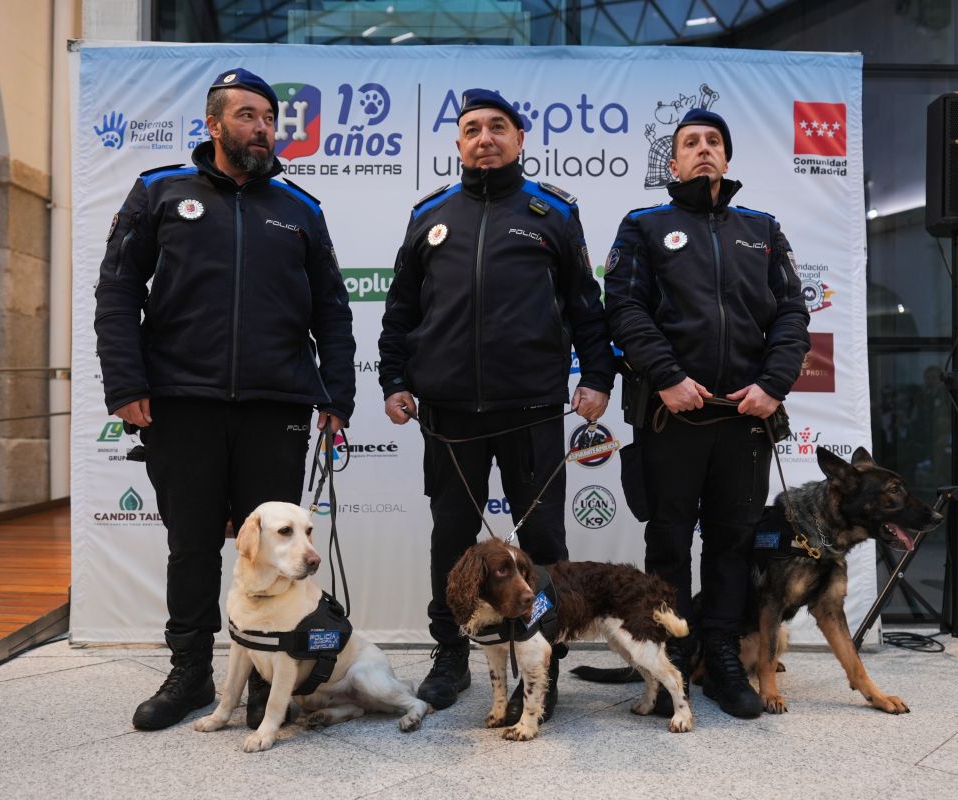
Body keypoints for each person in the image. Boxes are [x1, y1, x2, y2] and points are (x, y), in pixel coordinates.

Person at [94, 67, 355, 731]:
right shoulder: (160, 191)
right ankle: (189, 672)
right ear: (213, 124)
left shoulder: (300, 209)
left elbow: (332, 308)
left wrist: (338, 394)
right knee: (190, 545)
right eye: (246, 116)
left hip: (276, 405)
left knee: (276, 552)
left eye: (268, 118)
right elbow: (117, 290)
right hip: (183, 402)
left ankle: (270, 679)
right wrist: (125, 383)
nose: (262, 128)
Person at [379, 89, 615, 715]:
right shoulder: (429, 214)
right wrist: (393, 380)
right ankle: (451, 654)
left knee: (543, 541)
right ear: (458, 143)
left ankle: (544, 662)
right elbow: (401, 310)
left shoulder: (553, 212)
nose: (484, 138)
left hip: (532, 406)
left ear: (519, 138)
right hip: (448, 412)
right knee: (453, 539)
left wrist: (598, 377)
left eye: (497, 127)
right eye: (472, 129)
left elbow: (586, 308)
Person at [603, 108, 810, 719]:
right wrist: (667, 376)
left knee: (733, 543)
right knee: (667, 541)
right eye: (690, 142)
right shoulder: (644, 225)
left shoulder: (762, 229)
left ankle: (720, 657)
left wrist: (773, 385)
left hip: (745, 419)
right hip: (672, 417)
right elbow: (625, 309)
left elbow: (792, 315)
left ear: (726, 157)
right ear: (673, 162)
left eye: (713, 141)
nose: (702, 149)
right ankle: (669, 658)